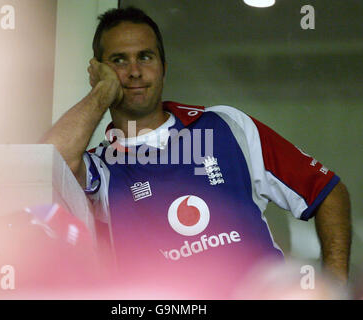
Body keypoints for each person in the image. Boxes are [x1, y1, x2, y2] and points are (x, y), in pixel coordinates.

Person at [40, 6, 351, 294]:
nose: (134, 71)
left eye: (145, 57)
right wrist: (102, 93)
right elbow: (46, 162)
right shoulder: (100, 167)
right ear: (98, 71)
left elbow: (326, 191)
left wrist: (335, 290)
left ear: (163, 67)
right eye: (119, 61)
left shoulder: (226, 125)